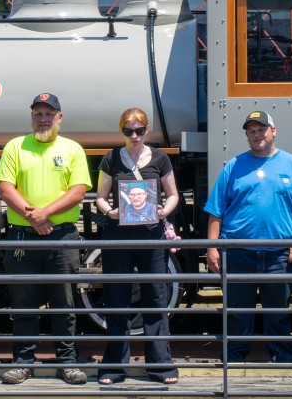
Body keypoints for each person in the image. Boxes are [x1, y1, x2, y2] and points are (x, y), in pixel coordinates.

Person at [204, 110, 292, 363]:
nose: (257, 135)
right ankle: (233, 359)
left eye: (262, 130)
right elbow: (215, 211)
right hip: (238, 252)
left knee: (278, 312)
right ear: (247, 136)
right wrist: (212, 248)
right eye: (252, 131)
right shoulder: (233, 166)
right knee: (237, 312)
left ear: (273, 131)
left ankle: (282, 359)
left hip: (279, 254)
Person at [0, 93, 91, 385]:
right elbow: (5, 189)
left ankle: (67, 362)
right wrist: (35, 218)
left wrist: (43, 214)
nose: (43, 119)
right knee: (23, 304)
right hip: (22, 238)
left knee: (64, 303)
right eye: (38, 113)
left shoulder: (72, 148)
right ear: (31, 117)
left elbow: (78, 191)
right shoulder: (15, 146)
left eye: (49, 114)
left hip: (62, 236)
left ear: (59, 118)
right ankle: (23, 362)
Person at [93, 108, 179, 385]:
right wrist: (110, 212)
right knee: (117, 298)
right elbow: (100, 197)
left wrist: (164, 211)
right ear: (122, 131)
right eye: (128, 130)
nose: (134, 135)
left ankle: (161, 366)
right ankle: (114, 367)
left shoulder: (160, 158)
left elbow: (173, 194)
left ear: (147, 130)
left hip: (151, 236)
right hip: (117, 236)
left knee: (155, 296)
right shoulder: (111, 158)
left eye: (139, 130)